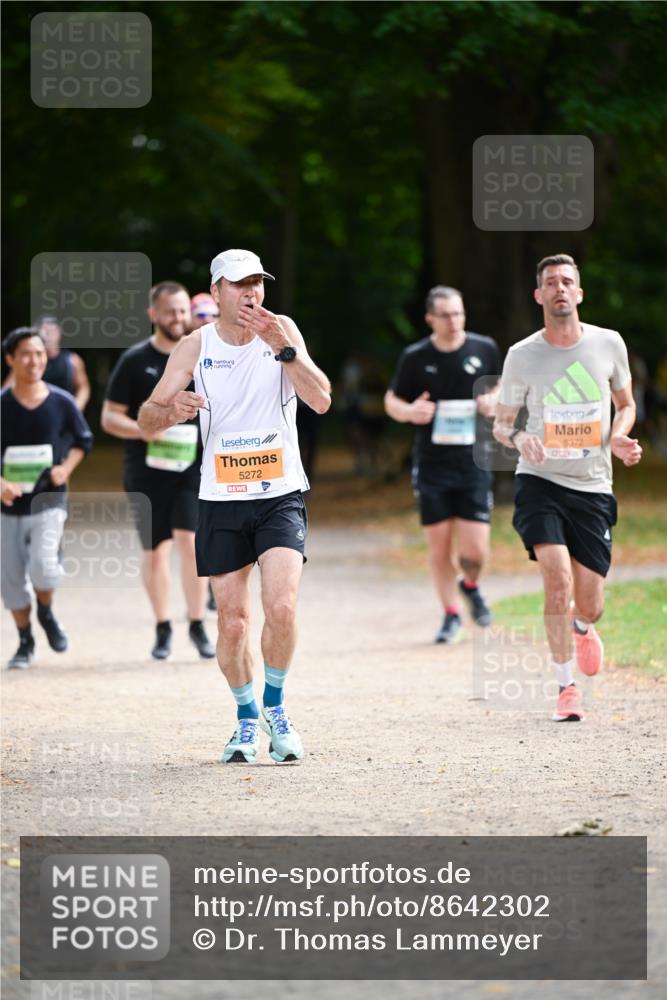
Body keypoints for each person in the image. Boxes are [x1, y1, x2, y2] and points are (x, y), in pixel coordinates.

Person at [137, 249, 331, 764]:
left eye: (258, 284)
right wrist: (169, 410)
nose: (252, 293)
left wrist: (282, 349)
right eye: (240, 284)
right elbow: (146, 418)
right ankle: (246, 721)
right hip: (221, 498)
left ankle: (276, 708)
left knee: (282, 607)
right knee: (232, 624)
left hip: (280, 493)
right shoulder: (195, 345)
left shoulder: (282, 329)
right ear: (217, 291)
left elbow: (322, 399)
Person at [493, 253, 642, 722]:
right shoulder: (522, 355)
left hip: (594, 486)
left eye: (567, 282)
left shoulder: (608, 344)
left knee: (590, 603)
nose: (559, 288)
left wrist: (619, 435)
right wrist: (521, 438)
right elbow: (501, 424)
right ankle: (565, 686)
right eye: (551, 283)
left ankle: (581, 624)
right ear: (539, 295)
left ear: (579, 293)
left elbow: (628, 404)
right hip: (539, 481)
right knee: (555, 579)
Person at [101, 281, 215, 662]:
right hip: (146, 470)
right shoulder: (135, 360)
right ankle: (163, 626)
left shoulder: (203, 355)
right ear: (153, 315)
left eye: (183, 311)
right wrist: (143, 430)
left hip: (191, 467)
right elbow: (108, 417)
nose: (178, 318)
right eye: (170, 312)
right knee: (155, 550)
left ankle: (197, 623)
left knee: (190, 542)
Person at [385, 286, 501, 643]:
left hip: (474, 463)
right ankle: (450, 614)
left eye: (459, 313)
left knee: (475, 550)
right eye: (446, 315)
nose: (454, 321)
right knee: (439, 546)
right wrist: (410, 412)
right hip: (432, 464)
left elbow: (500, 387)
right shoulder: (416, 357)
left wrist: (491, 401)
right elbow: (392, 399)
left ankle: (469, 584)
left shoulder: (484, 348)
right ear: (430, 319)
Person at [1, 327, 93, 668]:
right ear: (11, 359)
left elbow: (83, 440)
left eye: (39, 353)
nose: (34, 360)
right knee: (11, 581)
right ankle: (25, 641)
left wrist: (65, 469)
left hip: (49, 501)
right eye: (25, 353)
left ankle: (46, 611)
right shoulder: (3, 405)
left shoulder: (61, 401)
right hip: (7, 507)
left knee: (43, 565)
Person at [2, 317, 91, 412]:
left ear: (59, 332)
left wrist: (74, 408)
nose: (48, 336)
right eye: (45, 332)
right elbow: (8, 388)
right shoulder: (26, 362)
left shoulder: (72, 360)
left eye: (52, 331)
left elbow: (83, 388)